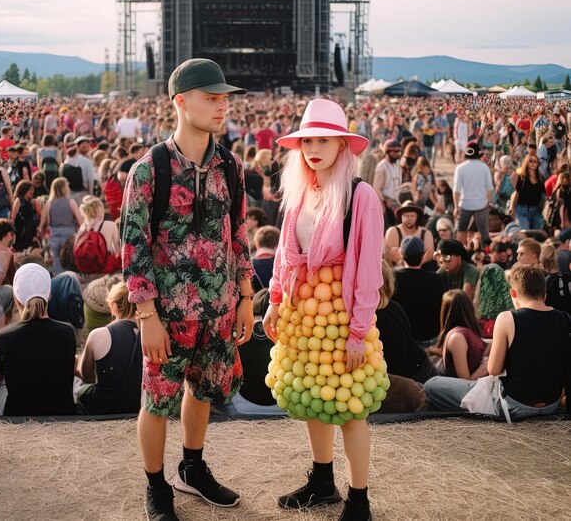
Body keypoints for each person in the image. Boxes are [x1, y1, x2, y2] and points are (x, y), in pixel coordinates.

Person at [121, 58, 253, 521]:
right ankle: (156, 486)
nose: (222, 107)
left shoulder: (230, 166)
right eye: (211, 98)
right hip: (168, 316)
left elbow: (238, 235)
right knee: (156, 400)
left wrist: (245, 297)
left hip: (218, 311)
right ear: (181, 101)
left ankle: (192, 468)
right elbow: (133, 249)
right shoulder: (149, 169)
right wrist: (147, 316)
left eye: (224, 99)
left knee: (201, 392)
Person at [262, 98, 382, 521]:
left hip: (342, 315)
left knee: (351, 409)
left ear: (342, 145)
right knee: (315, 399)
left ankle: (359, 499)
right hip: (304, 313)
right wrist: (275, 300)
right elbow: (285, 251)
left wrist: (356, 332)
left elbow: (368, 271)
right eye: (307, 140)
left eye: (324, 140)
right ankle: (322, 481)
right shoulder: (300, 193)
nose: (314, 148)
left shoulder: (359, 195)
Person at [424, 264, 571, 419]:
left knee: (431, 385)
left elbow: (494, 369)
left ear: (513, 293)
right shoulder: (565, 319)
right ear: (545, 294)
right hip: (551, 404)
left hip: (514, 405)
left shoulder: (507, 318)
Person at [0, 263, 77, 416]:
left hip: (18, 416)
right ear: (49, 296)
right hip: (62, 413)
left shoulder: (4, 336)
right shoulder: (67, 331)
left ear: (15, 298)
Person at [76, 281, 142, 414]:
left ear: (113, 306)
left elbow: (86, 375)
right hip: (140, 405)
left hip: (105, 406)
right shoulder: (152, 336)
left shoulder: (98, 335)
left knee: (79, 389)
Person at [393, 236, 445, 346]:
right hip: (430, 339)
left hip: (402, 340)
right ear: (423, 255)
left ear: (402, 255)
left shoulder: (393, 279)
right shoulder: (436, 279)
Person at [430, 290, 489, 379]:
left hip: (468, 386)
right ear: (469, 309)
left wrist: (485, 364)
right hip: (468, 386)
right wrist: (485, 366)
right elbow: (464, 379)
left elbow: (464, 380)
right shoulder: (459, 337)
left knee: (429, 385)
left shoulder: (459, 336)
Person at [452, 141, 493, 246]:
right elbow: (489, 189)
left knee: (461, 229)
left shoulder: (460, 168)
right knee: (483, 230)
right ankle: (485, 251)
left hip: (465, 204)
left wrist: (456, 207)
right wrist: (489, 202)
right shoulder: (484, 168)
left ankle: (461, 251)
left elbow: (456, 190)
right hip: (481, 204)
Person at [39, 177, 82, 274]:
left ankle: (60, 280)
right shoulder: (71, 202)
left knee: (57, 262)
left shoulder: (49, 204)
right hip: (70, 236)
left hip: (55, 236)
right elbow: (80, 221)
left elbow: (43, 223)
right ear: (64, 188)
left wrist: (43, 238)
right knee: (71, 261)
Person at [383, 201, 435, 267]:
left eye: (412, 216)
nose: (409, 218)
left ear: (417, 217)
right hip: (398, 271)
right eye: (405, 216)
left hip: (421, 271)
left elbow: (430, 253)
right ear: (401, 217)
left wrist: (418, 264)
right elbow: (389, 253)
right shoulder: (393, 231)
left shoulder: (426, 233)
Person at [509, 153, 546, 231]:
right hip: (521, 209)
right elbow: (516, 193)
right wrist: (512, 208)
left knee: (536, 236)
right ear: (526, 162)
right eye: (530, 161)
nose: (533, 163)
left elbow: (543, 195)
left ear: (537, 164)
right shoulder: (522, 177)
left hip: (536, 211)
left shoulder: (541, 178)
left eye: (535, 161)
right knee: (524, 234)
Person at [373, 138, 402, 228]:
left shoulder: (397, 164)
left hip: (396, 201)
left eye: (397, 151)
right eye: (393, 151)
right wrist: (384, 204)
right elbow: (376, 188)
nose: (396, 154)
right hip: (387, 203)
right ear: (387, 152)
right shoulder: (382, 167)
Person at [11, 180, 41, 252]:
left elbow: (40, 216)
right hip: (21, 232)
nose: (32, 192)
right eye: (30, 190)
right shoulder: (18, 201)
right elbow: (13, 217)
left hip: (31, 232)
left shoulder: (33, 202)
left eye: (32, 190)